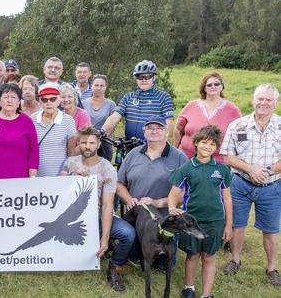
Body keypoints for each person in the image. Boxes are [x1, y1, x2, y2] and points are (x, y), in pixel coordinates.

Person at [220, 83, 281, 286]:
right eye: (260, 99)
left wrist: (267, 171)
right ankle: (235, 260)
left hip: (271, 186)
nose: (263, 103)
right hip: (240, 184)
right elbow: (228, 157)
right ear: (253, 100)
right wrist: (251, 169)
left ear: (275, 103)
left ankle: (272, 268)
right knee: (237, 225)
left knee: (271, 229)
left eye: (268, 100)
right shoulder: (238, 125)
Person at [62, 127, 136, 293]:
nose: (87, 146)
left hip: (97, 215)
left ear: (99, 144)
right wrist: (72, 176)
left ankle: (115, 267)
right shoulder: (70, 162)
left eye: (91, 143)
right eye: (83, 142)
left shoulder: (107, 168)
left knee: (128, 234)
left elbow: (108, 205)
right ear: (78, 143)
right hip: (74, 218)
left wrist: (105, 237)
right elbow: (58, 185)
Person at [168, 125, 233, 298]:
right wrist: (171, 208)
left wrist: (228, 225)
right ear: (196, 142)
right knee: (193, 255)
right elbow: (173, 194)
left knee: (209, 257)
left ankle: (206, 294)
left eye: (212, 144)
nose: (208, 147)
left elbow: (227, 199)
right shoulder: (186, 168)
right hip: (191, 221)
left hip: (215, 221)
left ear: (216, 147)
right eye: (204, 142)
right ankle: (189, 288)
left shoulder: (222, 170)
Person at [116, 116, 187, 269]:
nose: (154, 131)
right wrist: (129, 199)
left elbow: (186, 192)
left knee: (164, 267)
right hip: (136, 217)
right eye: (150, 128)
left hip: (164, 219)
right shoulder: (133, 154)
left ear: (167, 132)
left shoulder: (179, 157)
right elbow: (119, 184)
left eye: (159, 128)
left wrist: (157, 202)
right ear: (144, 132)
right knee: (134, 259)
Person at [174, 72, 241, 163]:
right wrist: (175, 150)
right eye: (209, 85)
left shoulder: (233, 109)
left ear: (222, 86)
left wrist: (239, 157)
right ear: (204, 88)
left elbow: (241, 134)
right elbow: (178, 129)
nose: (213, 86)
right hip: (186, 159)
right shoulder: (191, 105)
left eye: (216, 84)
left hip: (217, 163)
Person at [101, 60, 174, 141]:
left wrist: (163, 142)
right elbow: (114, 118)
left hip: (152, 146)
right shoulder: (128, 97)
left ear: (154, 77)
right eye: (139, 77)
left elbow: (169, 124)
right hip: (130, 145)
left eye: (147, 77)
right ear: (136, 79)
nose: (143, 80)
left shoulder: (163, 97)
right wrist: (102, 130)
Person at [0, 83, 38, 179]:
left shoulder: (27, 121)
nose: (9, 101)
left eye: (13, 97)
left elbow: (34, 152)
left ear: (19, 101)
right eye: (6, 97)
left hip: (21, 180)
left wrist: (32, 177)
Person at [31, 83, 77, 177]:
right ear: (40, 102)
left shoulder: (68, 121)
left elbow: (71, 153)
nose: (49, 103)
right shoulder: (32, 119)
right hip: (35, 176)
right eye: (44, 100)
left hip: (60, 177)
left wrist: (67, 172)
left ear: (59, 101)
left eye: (53, 99)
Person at [82, 75, 116, 162]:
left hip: (104, 144)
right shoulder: (83, 103)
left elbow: (111, 126)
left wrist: (98, 139)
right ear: (92, 86)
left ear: (105, 87)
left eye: (102, 86)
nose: (99, 88)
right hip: (86, 143)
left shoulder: (111, 104)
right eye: (96, 85)